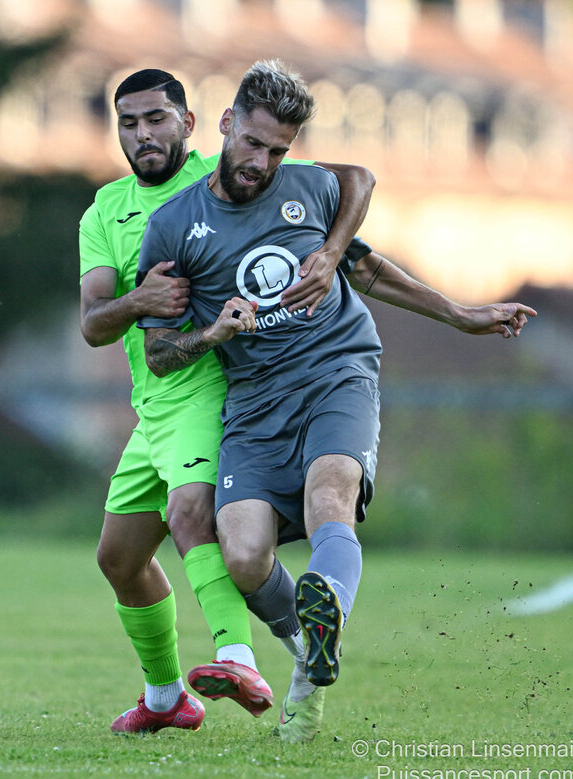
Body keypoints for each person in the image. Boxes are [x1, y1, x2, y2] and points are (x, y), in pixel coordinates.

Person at [136, 59, 536, 742]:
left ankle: (322, 630)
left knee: (331, 496)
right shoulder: (174, 226)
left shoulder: (308, 187)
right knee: (243, 555)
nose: (262, 163)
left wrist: (457, 312)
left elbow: (363, 222)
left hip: (336, 370)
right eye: (252, 144)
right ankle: (311, 658)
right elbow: (160, 353)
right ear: (226, 124)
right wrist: (214, 333)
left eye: (277, 151)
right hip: (253, 399)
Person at [79, 68, 375, 733]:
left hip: (213, 389)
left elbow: (351, 189)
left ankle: (239, 658)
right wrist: (138, 301)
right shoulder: (104, 210)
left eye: (157, 119)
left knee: (192, 513)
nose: (143, 134)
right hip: (154, 404)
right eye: (129, 123)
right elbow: (94, 323)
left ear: (193, 124)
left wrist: (332, 254)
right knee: (119, 559)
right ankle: (167, 699)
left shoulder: (236, 172)